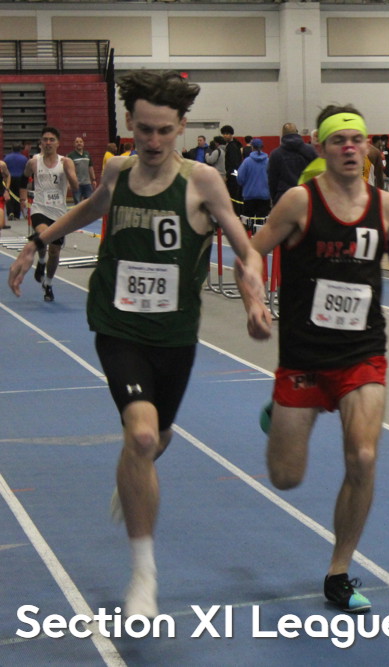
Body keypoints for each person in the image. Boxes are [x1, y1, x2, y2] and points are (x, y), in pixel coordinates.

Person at [7, 69, 270, 618]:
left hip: (175, 333)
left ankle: (132, 473)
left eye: (164, 131)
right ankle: (143, 573)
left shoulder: (202, 182)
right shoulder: (117, 170)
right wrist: (37, 239)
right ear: (129, 122)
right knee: (145, 435)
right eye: (143, 130)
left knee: (155, 439)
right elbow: (92, 208)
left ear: (181, 128)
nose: (152, 141)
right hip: (118, 324)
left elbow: (247, 251)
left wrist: (254, 300)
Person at [250, 104, 389, 614]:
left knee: (362, 457)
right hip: (303, 355)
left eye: (357, 139)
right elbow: (252, 253)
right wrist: (254, 300)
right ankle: (282, 411)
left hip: (362, 352)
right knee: (286, 477)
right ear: (321, 148)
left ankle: (338, 571)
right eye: (339, 140)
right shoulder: (299, 202)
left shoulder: (386, 206)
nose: (349, 148)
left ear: (368, 148)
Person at [23, 126, 79, 303]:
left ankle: (48, 283)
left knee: (54, 252)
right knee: (43, 234)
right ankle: (41, 260)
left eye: (51, 140)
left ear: (58, 143)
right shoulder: (34, 162)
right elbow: (24, 178)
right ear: (41, 142)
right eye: (45, 139)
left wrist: (69, 174)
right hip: (39, 208)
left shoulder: (66, 162)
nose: (48, 143)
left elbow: (75, 186)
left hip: (59, 213)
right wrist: (23, 199)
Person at [268, 122, 317, 205]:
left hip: (284, 198)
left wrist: (275, 199)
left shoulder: (275, 154)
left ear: (282, 135)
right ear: (297, 132)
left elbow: (272, 181)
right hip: (307, 196)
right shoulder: (311, 150)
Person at [237, 138, 271, 222]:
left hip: (249, 196)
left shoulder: (246, 162)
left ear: (252, 147)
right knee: (261, 222)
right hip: (264, 196)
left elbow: (240, 178)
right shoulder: (268, 161)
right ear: (262, 147)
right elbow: (273, 178)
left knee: (248, 222)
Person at [67, 136, 97, 203]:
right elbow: (68, 170)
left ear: (83, 144)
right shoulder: (70, 156)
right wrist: (69, 182)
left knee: (89, 203)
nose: (79, 143)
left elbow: (90, 167)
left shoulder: (87, 154)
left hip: (87, 184)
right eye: (77, 142)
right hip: (76, 184)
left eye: (80, 142)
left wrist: (93, 179)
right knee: (78, 203)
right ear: (74, 144)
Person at [4, 141, 30, 220]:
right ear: (20, 149)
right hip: (20, 179)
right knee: (18, 196)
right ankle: (17, 214)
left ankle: (10, 212)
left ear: (12, 149)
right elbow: (27, 169)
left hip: (10, 179)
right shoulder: (24, 158)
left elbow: (5, 169)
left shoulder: (6, 158)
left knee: (9, 195)